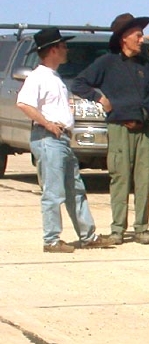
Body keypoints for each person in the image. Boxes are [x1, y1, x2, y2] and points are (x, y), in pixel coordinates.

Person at [73, 13, 149, 245]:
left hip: (144, 130)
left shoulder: (145, 64)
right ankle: (117, 230)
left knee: (144, 178)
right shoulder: (106, 63)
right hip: (119, 129)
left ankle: (141, 229)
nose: (141, 39)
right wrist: (99, 100)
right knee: (120, 178)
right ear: (123, 38)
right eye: (138, 35)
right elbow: (80, 83)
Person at [16, 28, 115, 253]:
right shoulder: (38, 76)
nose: (66, 50)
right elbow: (23, 103)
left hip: (61, 140)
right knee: (53, 191)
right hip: (49, 138)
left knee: (75, 188)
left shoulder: (54, 77)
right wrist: (47, 123)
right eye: (63, 46)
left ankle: (88, 235)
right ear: (53, 50)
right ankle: (51, 239)